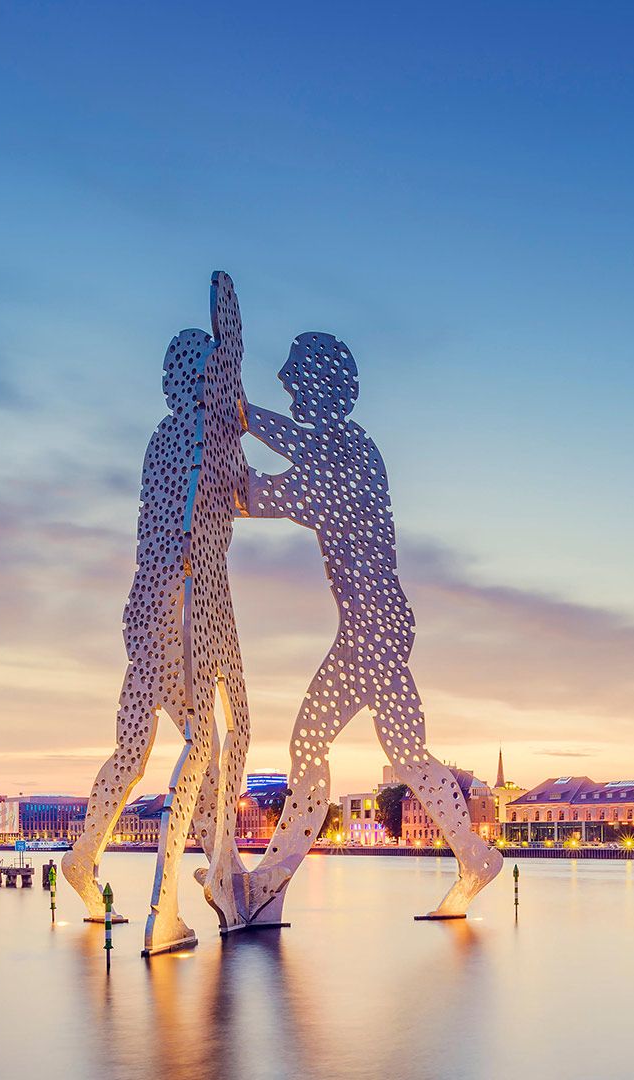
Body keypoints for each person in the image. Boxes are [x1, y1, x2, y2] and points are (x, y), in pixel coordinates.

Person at [235, 332, 502, 923]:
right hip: (380, 622)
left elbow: (261, 495)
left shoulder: (345, 461)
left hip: (371, 627)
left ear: (323, 387)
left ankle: (270, 884)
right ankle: (475, 855)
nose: (287, 387)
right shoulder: (351, 445)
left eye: (295, 380)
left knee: (311, 746)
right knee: (403, 753)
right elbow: (299, 443)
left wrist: (238, 437)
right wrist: (248, 419)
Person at [61, 274, 253, 956]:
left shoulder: (162, 440)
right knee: (210, 740)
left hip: (145, 604)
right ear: (199, 383)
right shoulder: (207, 438)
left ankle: (86, 858)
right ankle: (169, 905)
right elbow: (229, 503)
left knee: (138, 747)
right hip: (186, 604)